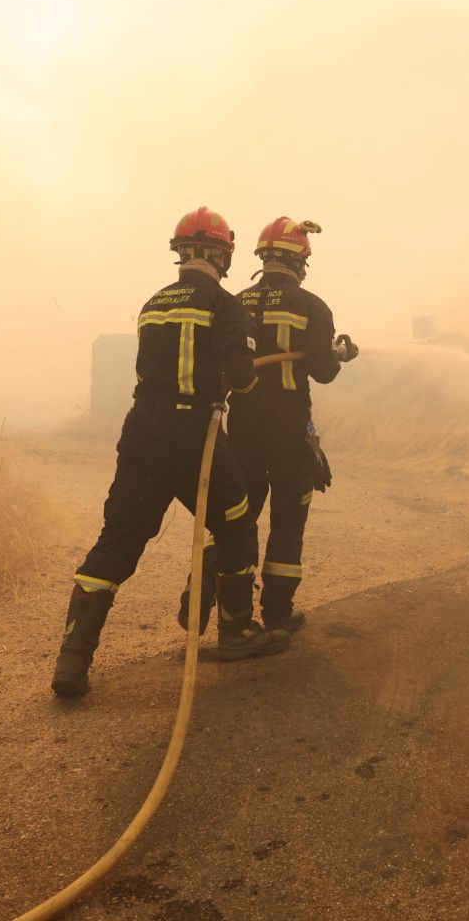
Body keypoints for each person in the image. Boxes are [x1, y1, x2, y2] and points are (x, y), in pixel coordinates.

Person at [51, 207, 287, 699]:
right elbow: (241, 378)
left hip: (141, 430)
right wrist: (242, 378)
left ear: (180, 253)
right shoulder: (224, 306)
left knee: (117, 540)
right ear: (223, 253)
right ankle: (238, 630)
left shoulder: (153, 302)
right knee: (236, 521)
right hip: (191, 432)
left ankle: (72, 662)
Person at [178, 217, 358, 636]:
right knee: (288, 519)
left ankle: (198, 597)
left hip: (242, 429)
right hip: (289, 428)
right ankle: (277, 613)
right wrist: (339, 353)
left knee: (234, 519)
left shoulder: (235, 302)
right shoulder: (312, 306)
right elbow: (325, 371)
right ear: (299, 262)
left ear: (263, 257)